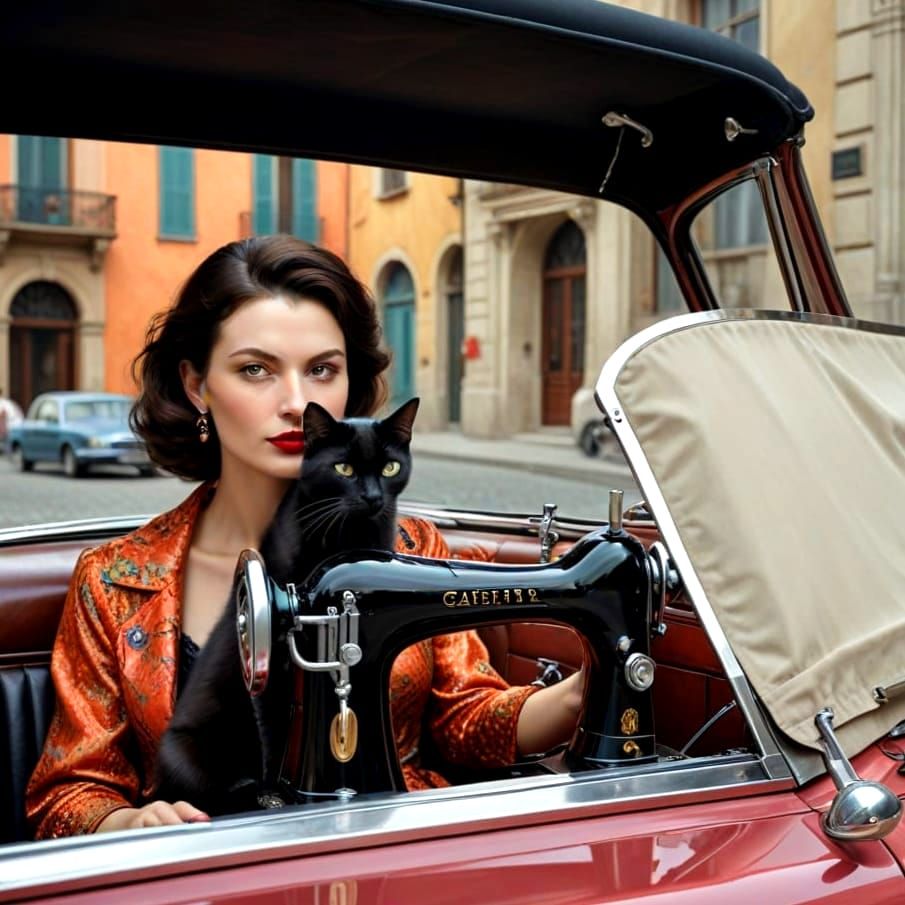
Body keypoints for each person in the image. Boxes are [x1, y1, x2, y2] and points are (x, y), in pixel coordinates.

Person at [25, 236, 583, 839]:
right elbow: (69, 792)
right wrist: (126, 821)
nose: (298, 402)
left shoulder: (414, 546)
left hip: (388, 860)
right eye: (255, 369)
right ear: (196, 386)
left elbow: (468, 718)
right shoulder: (115, 581)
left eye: (322, 369)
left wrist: (580, 696)